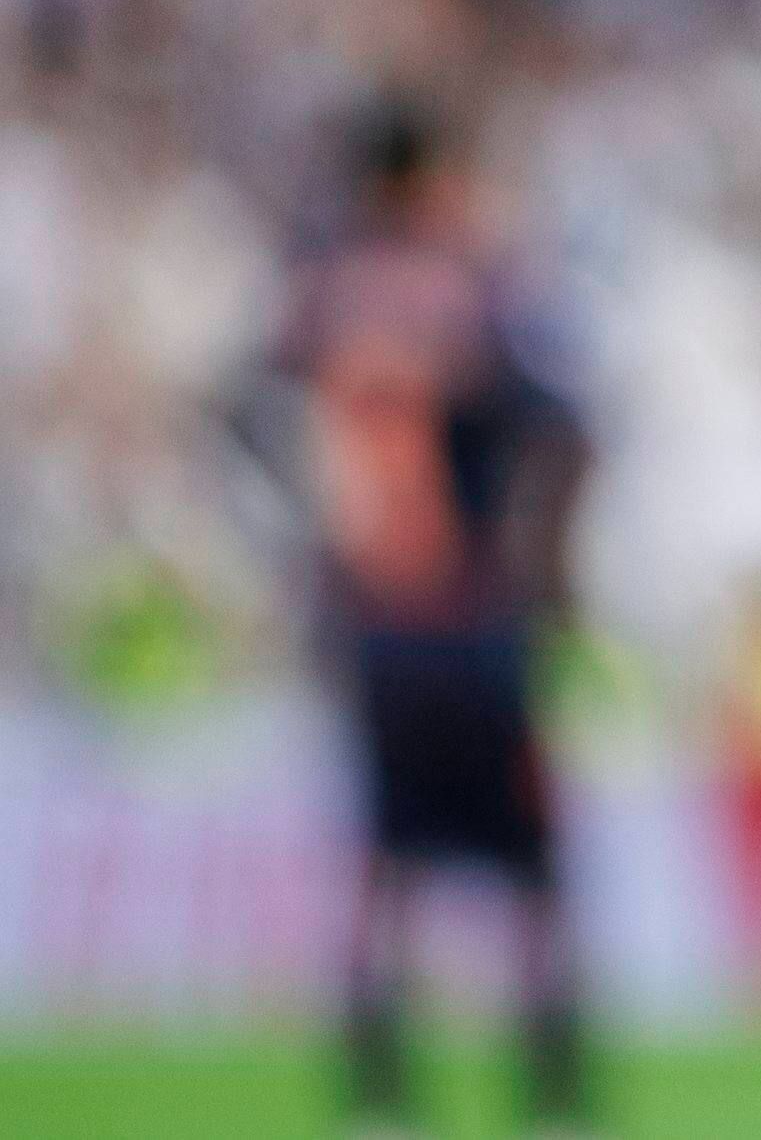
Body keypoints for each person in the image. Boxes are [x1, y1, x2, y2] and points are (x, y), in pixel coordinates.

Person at [277, 96, 592, 1140]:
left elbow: (254, 411)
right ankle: (550, 1093)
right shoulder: (472, 286)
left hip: (374, 616)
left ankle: (380, 1091)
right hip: (470, 610)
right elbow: (561, 422)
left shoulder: (322, 293)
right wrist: (537, 561)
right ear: (422, 180)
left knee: (390, 861)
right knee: (536, 864)